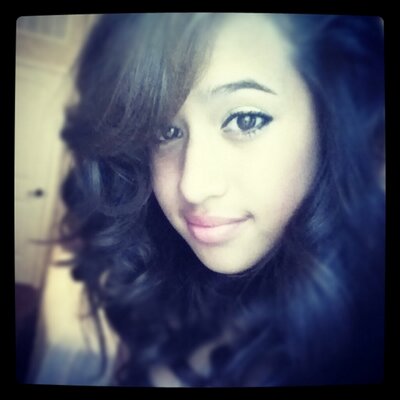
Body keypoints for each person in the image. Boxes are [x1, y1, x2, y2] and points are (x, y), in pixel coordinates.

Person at [59, 13, 385, 387]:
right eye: (165, 131)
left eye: (245, 120)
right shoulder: (157, 277)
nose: (192, 186)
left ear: (331, 121)